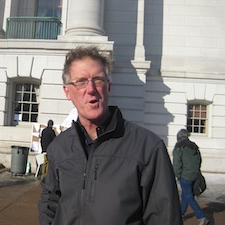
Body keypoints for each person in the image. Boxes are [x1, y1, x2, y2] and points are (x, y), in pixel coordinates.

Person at [38, 46, 183, 225]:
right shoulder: (59, 148)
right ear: (67, 92)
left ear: (108, 87)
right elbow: (50, 203)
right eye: (81, 81)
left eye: (98, 80)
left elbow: (165, 218)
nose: (91, 89)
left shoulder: (148, 148)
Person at [173, 129, 209, 225]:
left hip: (185, 176)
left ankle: (201, 217)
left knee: (189, 196)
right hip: (195, 174)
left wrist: (177, 175)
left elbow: (177, 163)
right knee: (185, 195)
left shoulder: (178, 146)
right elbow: (199, 160)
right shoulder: (194, 146)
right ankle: (181, 214)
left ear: (179, 137)